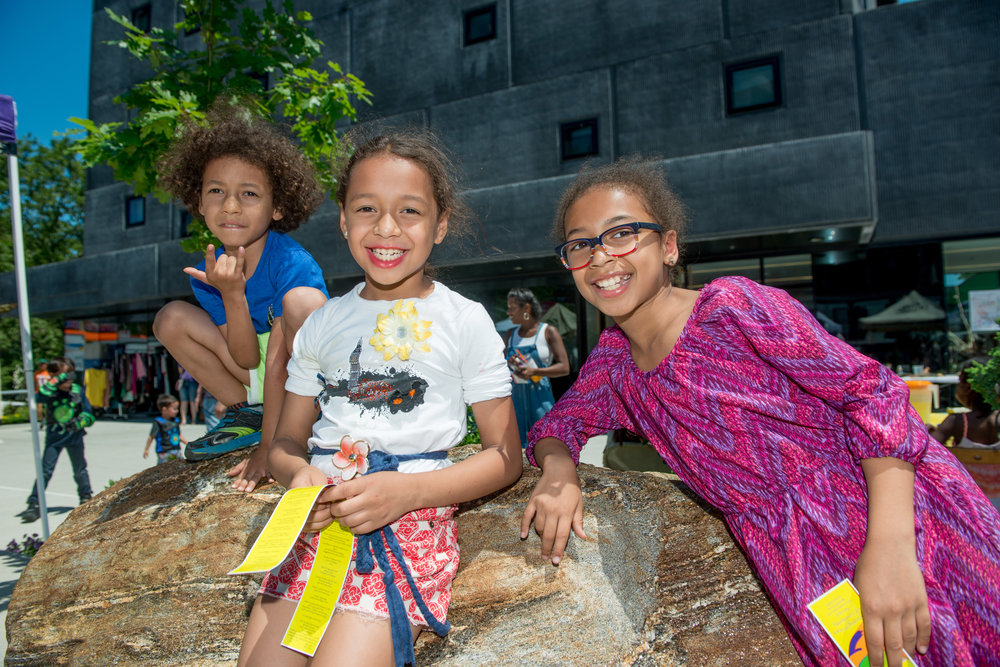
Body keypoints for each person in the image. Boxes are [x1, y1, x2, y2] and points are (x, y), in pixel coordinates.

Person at [519, 156, 1000, 666]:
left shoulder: (733, 309)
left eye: (622, 234)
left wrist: (893, 549)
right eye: (580, 244)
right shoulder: (615, 365)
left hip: (898, 521)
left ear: (669, 246)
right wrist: (559, 472)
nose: (601, 256)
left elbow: (872, 394)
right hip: (800, 561)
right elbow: (557, 425)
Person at [237, 130, 522, 667]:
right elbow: (286, 442)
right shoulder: (322, 323)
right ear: (344, 221)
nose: (387, 227)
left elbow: (506, 456)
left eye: (409, 210)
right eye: (366, 208)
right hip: (312, 531)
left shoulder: (464, 321)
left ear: (440, 225)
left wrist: (408, 492)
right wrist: (299, 477)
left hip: (404, 534)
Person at [153, 105, 329, 493]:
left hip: (303, 381)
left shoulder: (291, 263)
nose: (230, 205)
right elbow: (246, 358)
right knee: (171, 318)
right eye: (216, 191)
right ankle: (248, 413)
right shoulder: (210, 273)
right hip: (255, 374)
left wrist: (270, 447)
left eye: (249, 193)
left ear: (277, 206)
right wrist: (232, 295)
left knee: (302, 302)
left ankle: (292, 425)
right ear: (200, 203)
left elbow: (281, 360)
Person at [18, 357, 94, 523]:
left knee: (80, 469)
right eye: (63, 375)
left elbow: (89, 414)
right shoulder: (50, 391)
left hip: (74, 437)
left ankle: (86, 497)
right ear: (53, 376)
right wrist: (57, 380)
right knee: (45, 470)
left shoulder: (77, 390)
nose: (68, 379)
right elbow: (38, 397)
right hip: (54, 438)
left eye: (70, 374)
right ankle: (34, 503)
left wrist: (79, 423)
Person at [504, 287, 570, 446]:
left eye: (512, 308)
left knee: (546, 442)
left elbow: (564, 367)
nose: (508, 312)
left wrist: (535, 371)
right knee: (517, 447)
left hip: (540, 399)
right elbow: (501, 365)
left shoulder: (548, 332)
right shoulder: (510, 334)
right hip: (515, 400)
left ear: (526, 308)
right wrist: (509, 361)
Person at [930, 360, 1000, 448]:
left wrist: (925, 434)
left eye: (959, 382)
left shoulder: (956, 421)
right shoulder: (997, 420)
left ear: (968, 387)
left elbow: (929, 450)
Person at [144, 394, 189, 463]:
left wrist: (187, 443)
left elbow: (178, 435)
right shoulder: (159, 422)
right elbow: (151, 436)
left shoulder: (175, 421)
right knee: (163, 467)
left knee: (179, 466)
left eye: (177, 408)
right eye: (174, 409)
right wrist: (147, 449)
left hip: (177, 450)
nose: (177, 411)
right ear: (164, 409)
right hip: (164, 452)